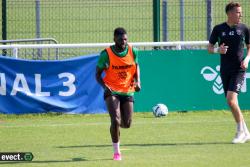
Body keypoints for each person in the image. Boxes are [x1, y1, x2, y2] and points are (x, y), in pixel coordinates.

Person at [95, 27, 141, 160]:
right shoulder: (106, 54)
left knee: (127, 123)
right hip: (112, 90)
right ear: (114, 39)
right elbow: (97, 74)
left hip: (127, 90)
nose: (124, 42)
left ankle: (116, 125)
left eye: (125, 39)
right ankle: (117, 152)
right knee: (115, 120)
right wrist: (104, 86)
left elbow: (136, 65)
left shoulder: (133, 51)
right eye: (121, 39)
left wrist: (138, 81)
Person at [208, 2, 250, 144]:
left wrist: (247, 59)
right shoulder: (219, 29)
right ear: (230, 13)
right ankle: (246, 132)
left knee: (231, 100)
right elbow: (209, 48)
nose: (241, 15)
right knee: (233, 103)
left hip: (239, 69)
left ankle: (240, 132)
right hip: (225, 70)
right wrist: (217, 50)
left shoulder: (244, 29)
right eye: (238, 12)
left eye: (241, 12)